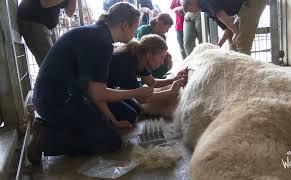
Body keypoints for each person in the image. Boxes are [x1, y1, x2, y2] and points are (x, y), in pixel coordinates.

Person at [28, 3, 153, 165]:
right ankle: (47, 138)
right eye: (135, 27)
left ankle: (81, 126)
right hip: (55, 101)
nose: (135, 32)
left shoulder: (99, 35)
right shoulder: (100, 41)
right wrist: (136, 92)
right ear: (124, 25)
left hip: (69, 94)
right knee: (111, 142)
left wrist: (112, 119)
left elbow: (94, 89)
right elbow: (97, 93)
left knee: (127, 115)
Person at [107, 34, 188, 117]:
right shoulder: (127, 62)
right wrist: (171, 92)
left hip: (110, 89)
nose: (162, 62)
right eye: (161, 57)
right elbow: (141, 98)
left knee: (137, 109)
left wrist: (173, 79)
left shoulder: (140, 57)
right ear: (149, 54)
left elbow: (152, 82)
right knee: (130, 114)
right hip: (101, 94)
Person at [183, 0, 267, 55]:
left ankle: (246, 75)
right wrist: (218, 45)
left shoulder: (204, 2)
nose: (193, 13)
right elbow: (227, 29)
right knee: (234, 40)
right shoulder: (206, 10)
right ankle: (236, 67)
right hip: (242, 8)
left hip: (251, 2)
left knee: (242, 41)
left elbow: (221, 15)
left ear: (191, 1)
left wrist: (236, 31)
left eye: (190, 10)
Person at [18, 0, 77, 65]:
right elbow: (45, 2)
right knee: (52, 65)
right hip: (33, 21)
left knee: (56, 63)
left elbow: (69, 13)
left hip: (45, 26)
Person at [136, 13, 174, 79]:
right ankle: (147, 79)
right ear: (160, 23)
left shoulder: (162, 36)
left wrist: (167, 56)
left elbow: (162, 50)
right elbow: (142, 46)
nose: (167, 31)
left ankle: (156, 78)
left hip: (154, 54)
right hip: (142, 54)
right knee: (155, 61)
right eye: (167, 27)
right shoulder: (144, 29)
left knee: (166, 61)